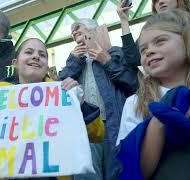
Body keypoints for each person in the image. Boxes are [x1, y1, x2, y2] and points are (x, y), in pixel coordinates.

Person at [0, 38, 105, 180]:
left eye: (42, 55)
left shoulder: (63, 93)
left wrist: (80, 105)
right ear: (15, 63)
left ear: (47, 66)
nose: (35, 56)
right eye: (29, 52)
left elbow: (97, 135)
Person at [115, 10, 190, 180]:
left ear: (188, 41)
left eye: (160, 41)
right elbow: (131, 170)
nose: (149, 51)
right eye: (143, 49)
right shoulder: (135, 102)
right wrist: (159, 121)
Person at [58, 18, 138, 179]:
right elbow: (58, 91)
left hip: (115, 125)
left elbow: (133, 83)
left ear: (94, 31)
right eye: (73, 33)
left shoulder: (115, 52)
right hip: (85, 128)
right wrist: (73, 61)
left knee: (117, 173)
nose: (75, 33)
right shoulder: (74, 61)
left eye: (79, 29)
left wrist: (106, 60)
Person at [117, 0, 190, 68]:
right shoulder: (152, 30)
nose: (160, 2)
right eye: (155, 1)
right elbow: (133, 58)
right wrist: (124, 20)